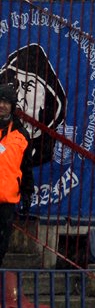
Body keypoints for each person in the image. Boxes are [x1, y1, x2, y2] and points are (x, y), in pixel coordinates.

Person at [0, 84, 29, 265]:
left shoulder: (21, 134)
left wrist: (27, 193)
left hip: (7, 201)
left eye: (6, 102)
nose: (2, 105)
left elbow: (26, 168)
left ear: (12, 106)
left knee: (1, 243)